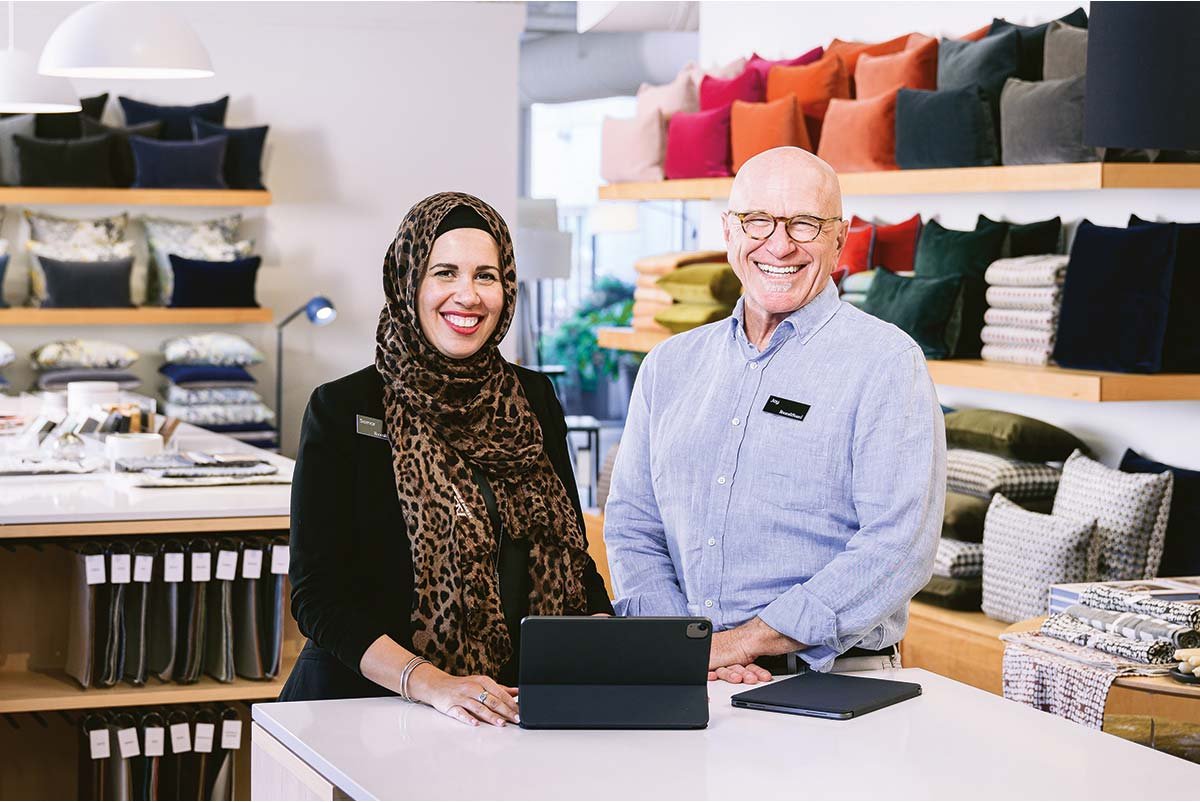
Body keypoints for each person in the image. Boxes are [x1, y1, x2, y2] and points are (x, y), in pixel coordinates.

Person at [604, 147, 944, 683]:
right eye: (757, 221)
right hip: (687, 674)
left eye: (805, 223)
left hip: (829, 684)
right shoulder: (669, 365)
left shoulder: (886, 364)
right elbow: (633, 524)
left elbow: (897, 546)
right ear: (729, 231)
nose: (779, 244)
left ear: (840, 235)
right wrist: (683, 645)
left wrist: (739, 644)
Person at [280, 192, 613, 726]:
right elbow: (318, 599)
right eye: (444, 273)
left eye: (486, 275)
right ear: (408, 282)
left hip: (509, 711)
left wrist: (610, 651)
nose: (468, 295)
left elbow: (573, 557)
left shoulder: (534, 400)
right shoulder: (345, 408)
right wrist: (432, 684)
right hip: (365, 711)